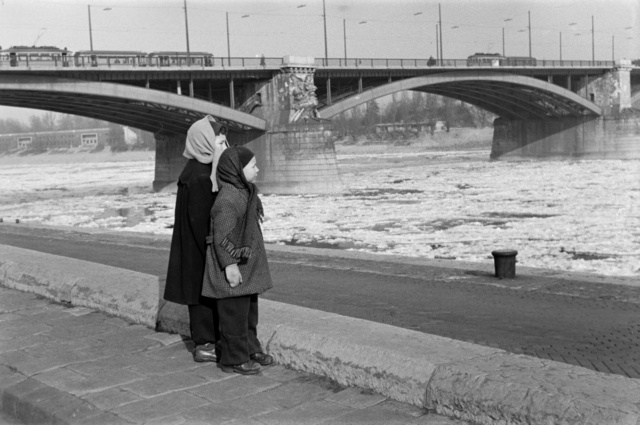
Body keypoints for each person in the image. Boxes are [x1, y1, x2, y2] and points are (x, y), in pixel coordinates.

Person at [202, 145, 273, 375]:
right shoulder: (228, 200)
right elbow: (222, 238)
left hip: (247, 264)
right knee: (233, 314)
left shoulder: (246, 191)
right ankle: (234, 359)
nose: (258, 169)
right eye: (253, 165)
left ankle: (250, 348)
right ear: (236, 170)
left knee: (248, 313)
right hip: (233, 267)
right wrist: (230, 266)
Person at [164, 115, 228, 363]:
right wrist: (218, 253)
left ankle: (206, 341)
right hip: (199, 249)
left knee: (198, 292)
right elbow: (203, 221)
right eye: (218, 140)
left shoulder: (195, 169)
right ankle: (206, 345)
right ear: (204, 141)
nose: (222, 144)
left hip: (191, 249)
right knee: (203, 294)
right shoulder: (202, 175)